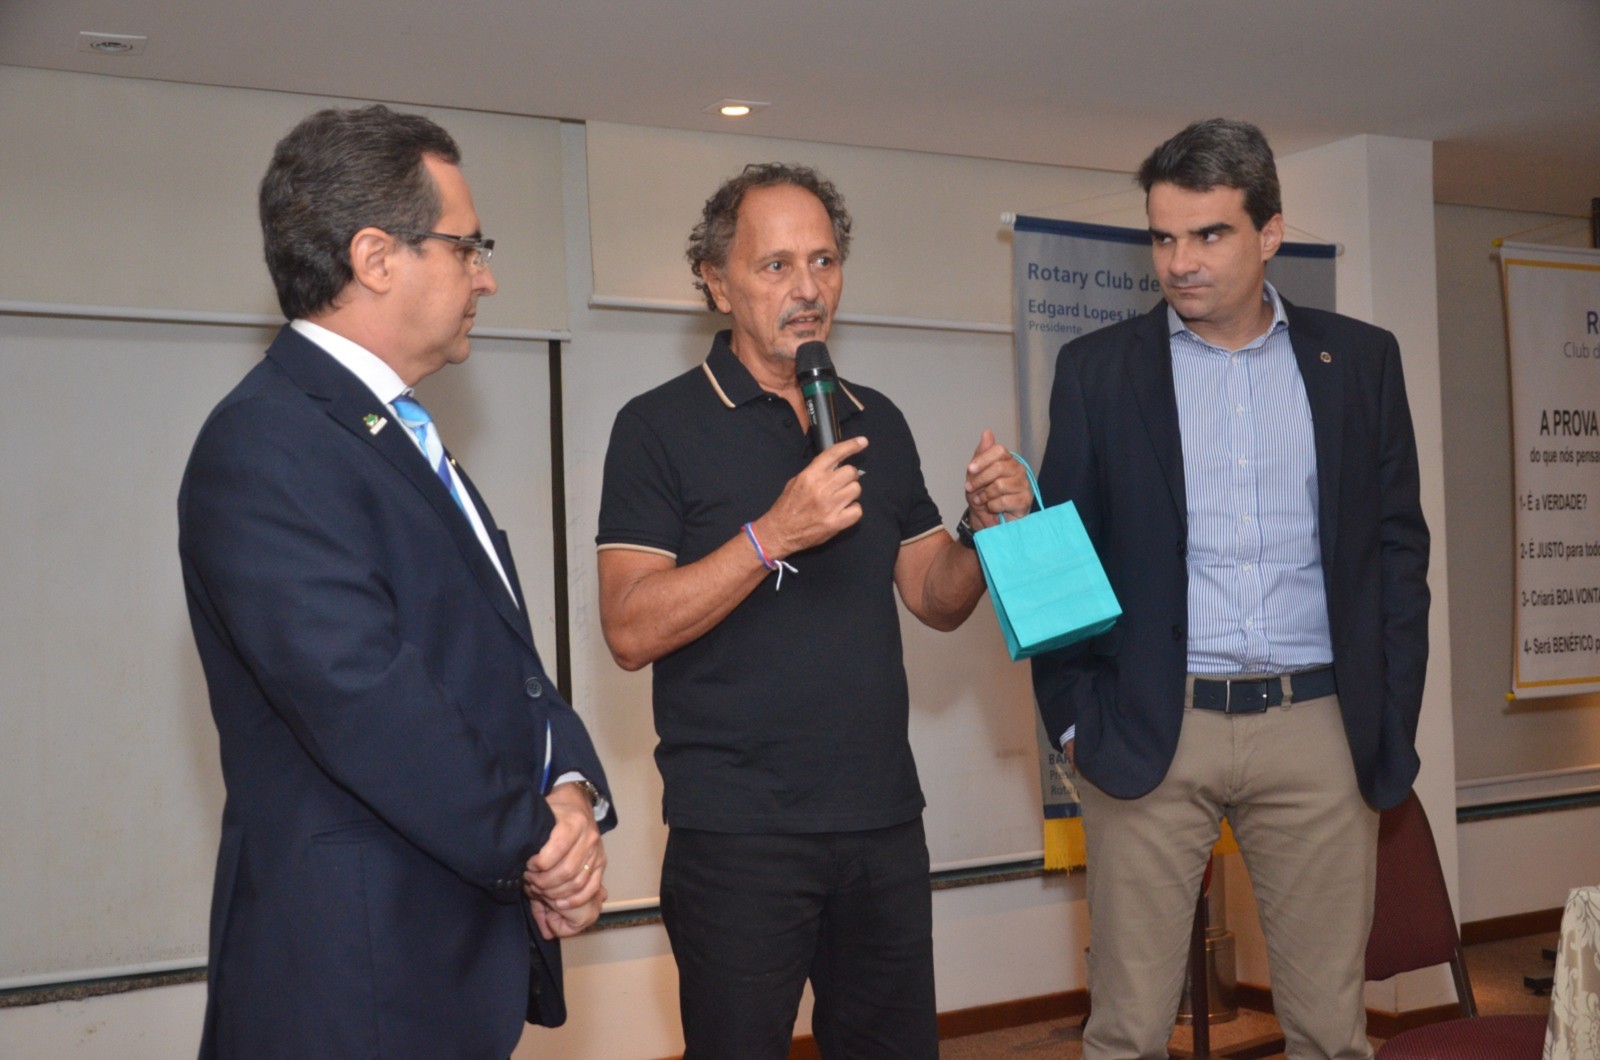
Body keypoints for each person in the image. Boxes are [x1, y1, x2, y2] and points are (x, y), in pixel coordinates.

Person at [179, 104, 615, 1058]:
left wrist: (571, 787)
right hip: (352, 981)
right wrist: (535, 841)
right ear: (376, 257)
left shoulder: (392, 430)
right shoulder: (265, 443)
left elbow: (502, 659)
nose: (486, 276)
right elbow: (363, 695)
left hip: (439, 960)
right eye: (468, 248)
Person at [595, 162, 1031, 1058]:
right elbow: (630, 628)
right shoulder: (657, 426)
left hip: (881, 821)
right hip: (738, 834)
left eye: (825, 262)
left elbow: (935, 598)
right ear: (717, 282)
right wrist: (771, 535)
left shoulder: (879, 420)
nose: (808, 288)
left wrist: (982, 531)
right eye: (777, 266)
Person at [1031, 118, 1430, 1059]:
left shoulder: (1359, 361)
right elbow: (1060, 558)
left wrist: (1387, 717)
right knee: (1126, 1031)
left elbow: (1396, 552)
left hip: (1318, 725)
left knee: (1331, 1033)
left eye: (1209, 234)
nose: (1181, 262)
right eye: (1164, 237)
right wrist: (1077, 722)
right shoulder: (1097, 371)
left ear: (1270, 233)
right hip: (1150, 727)